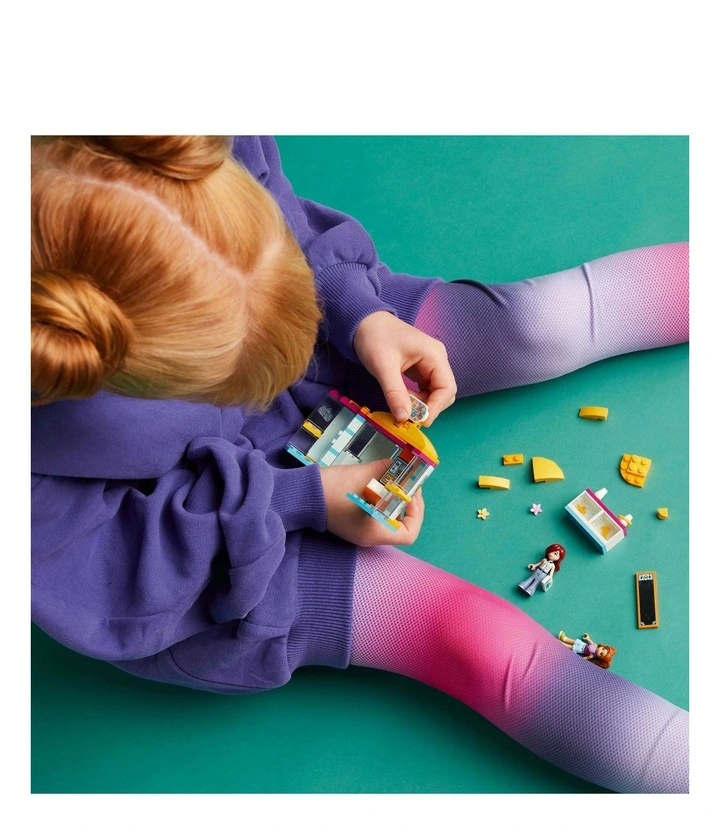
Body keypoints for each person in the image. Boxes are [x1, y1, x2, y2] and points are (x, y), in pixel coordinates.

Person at [31, 135, 689, 793]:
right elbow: (111, 573)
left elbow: (271, 203)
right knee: (470, 635)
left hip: (323, 327)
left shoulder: (153, 137)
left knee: (539, 324)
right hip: (202, 552)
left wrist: (357, 312)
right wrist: (306, 499)